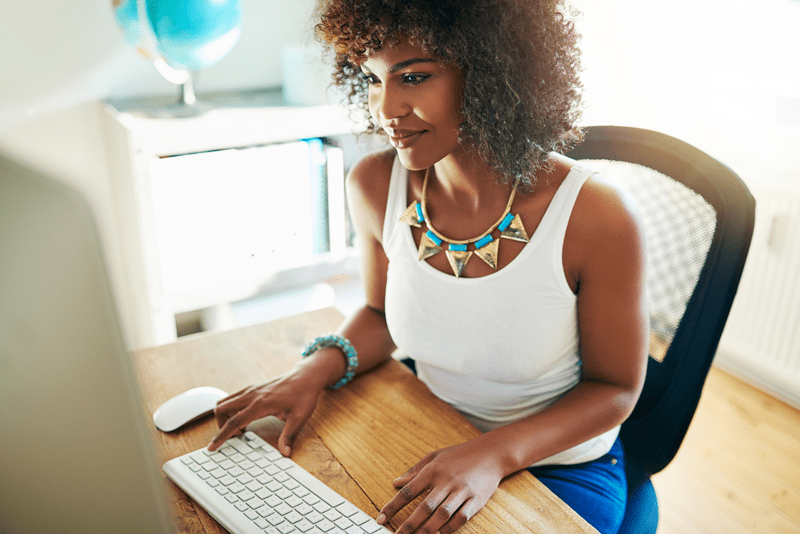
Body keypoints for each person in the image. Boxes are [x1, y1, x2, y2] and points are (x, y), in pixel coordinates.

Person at [209, 1, 649, 533]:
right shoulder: (375, 185)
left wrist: (494, 454)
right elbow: (378, 313)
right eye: (373, 79)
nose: (387, 108)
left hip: (556, 465)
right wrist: (314, 371)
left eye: (414, 76)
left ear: (491, 69)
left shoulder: (596, 214)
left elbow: (615, 389)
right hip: (429, 429)